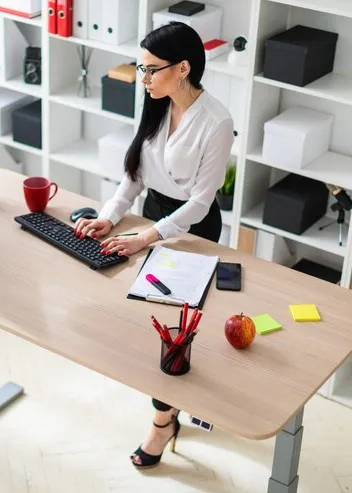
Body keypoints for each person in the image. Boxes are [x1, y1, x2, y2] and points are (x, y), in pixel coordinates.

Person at [73, 21, 235, 468]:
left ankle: (163, 424)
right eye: (140, 69)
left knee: (172, 332)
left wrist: (144, 237)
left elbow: (201, 202)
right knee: (152, 325)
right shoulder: (155, 104)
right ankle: (173, 406)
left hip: (192, 230)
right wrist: (107, 218)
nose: (142, 79)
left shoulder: (217, 121)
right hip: (149, 217)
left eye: (150, 70)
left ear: (183, 68)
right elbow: (133, 177)